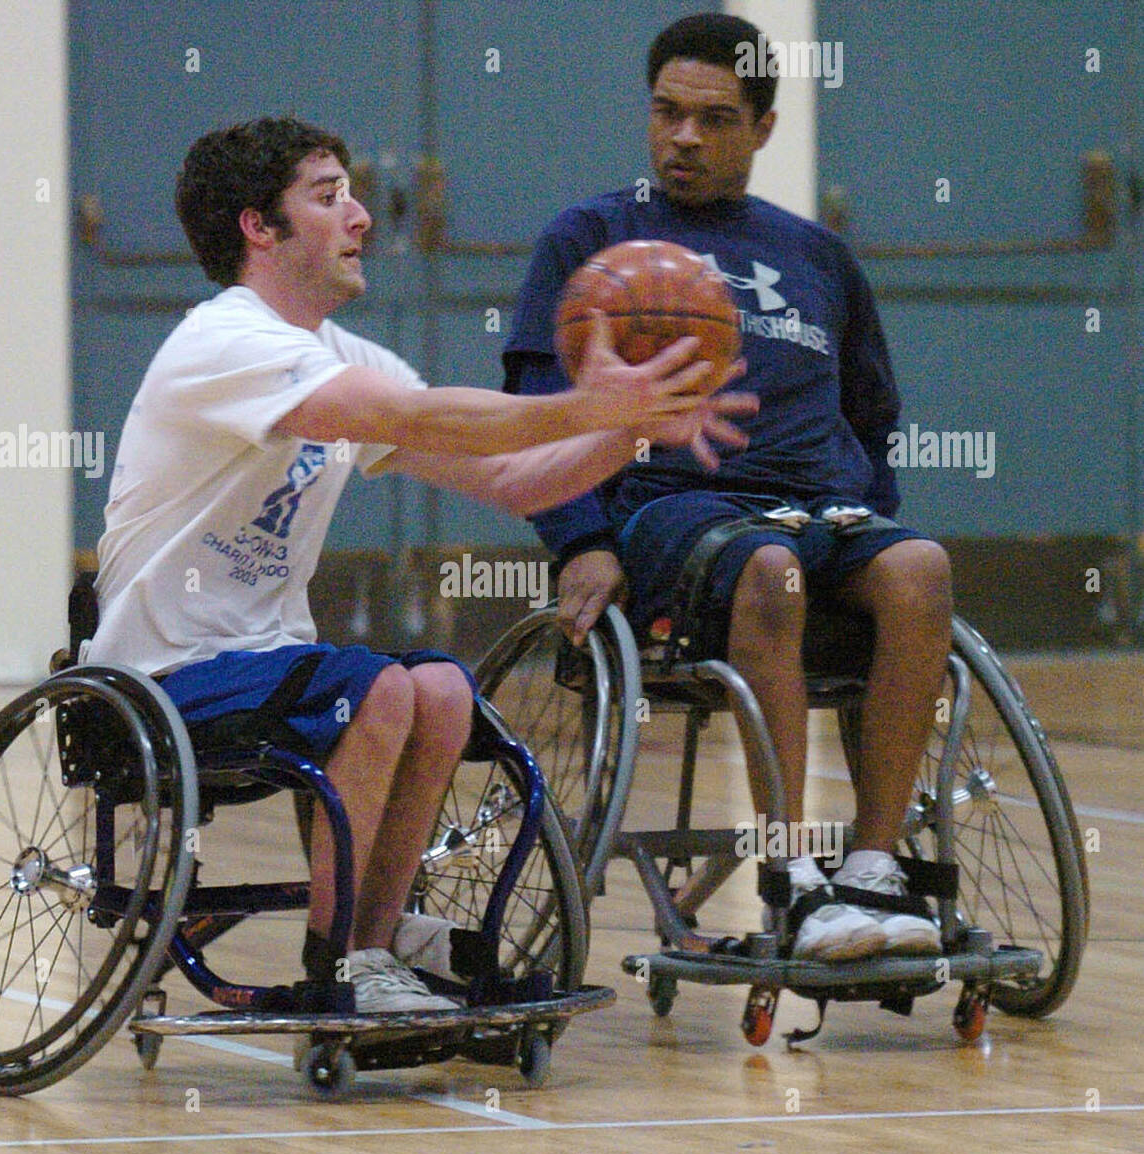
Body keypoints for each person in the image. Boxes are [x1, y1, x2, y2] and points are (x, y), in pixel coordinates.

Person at [86, 116, 752, 1012]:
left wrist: (627, 425)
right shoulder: (225, 341)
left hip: (270, 668)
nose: (362, 215)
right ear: (258, 226)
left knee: (439, 685)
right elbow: (420, 417)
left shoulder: (340, 353)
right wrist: (586, 402)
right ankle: (345, 964)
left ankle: (379, 938)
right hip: (159, 679)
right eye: (329, 197)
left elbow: (519, 479)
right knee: (379, 688)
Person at [503, 13, 953, 961]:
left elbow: (872, 415)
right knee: (771, 570)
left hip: (820, 506)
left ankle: (871, 867)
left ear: (763, 129)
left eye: (712, 119)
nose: (683, 139)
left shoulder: (819, 257)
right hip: (675, 510)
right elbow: (534, 407)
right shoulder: (593, 238)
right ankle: (791, 876)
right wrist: (580, 540)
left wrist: (867, 526)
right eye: (666, 113)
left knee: (918, 570)